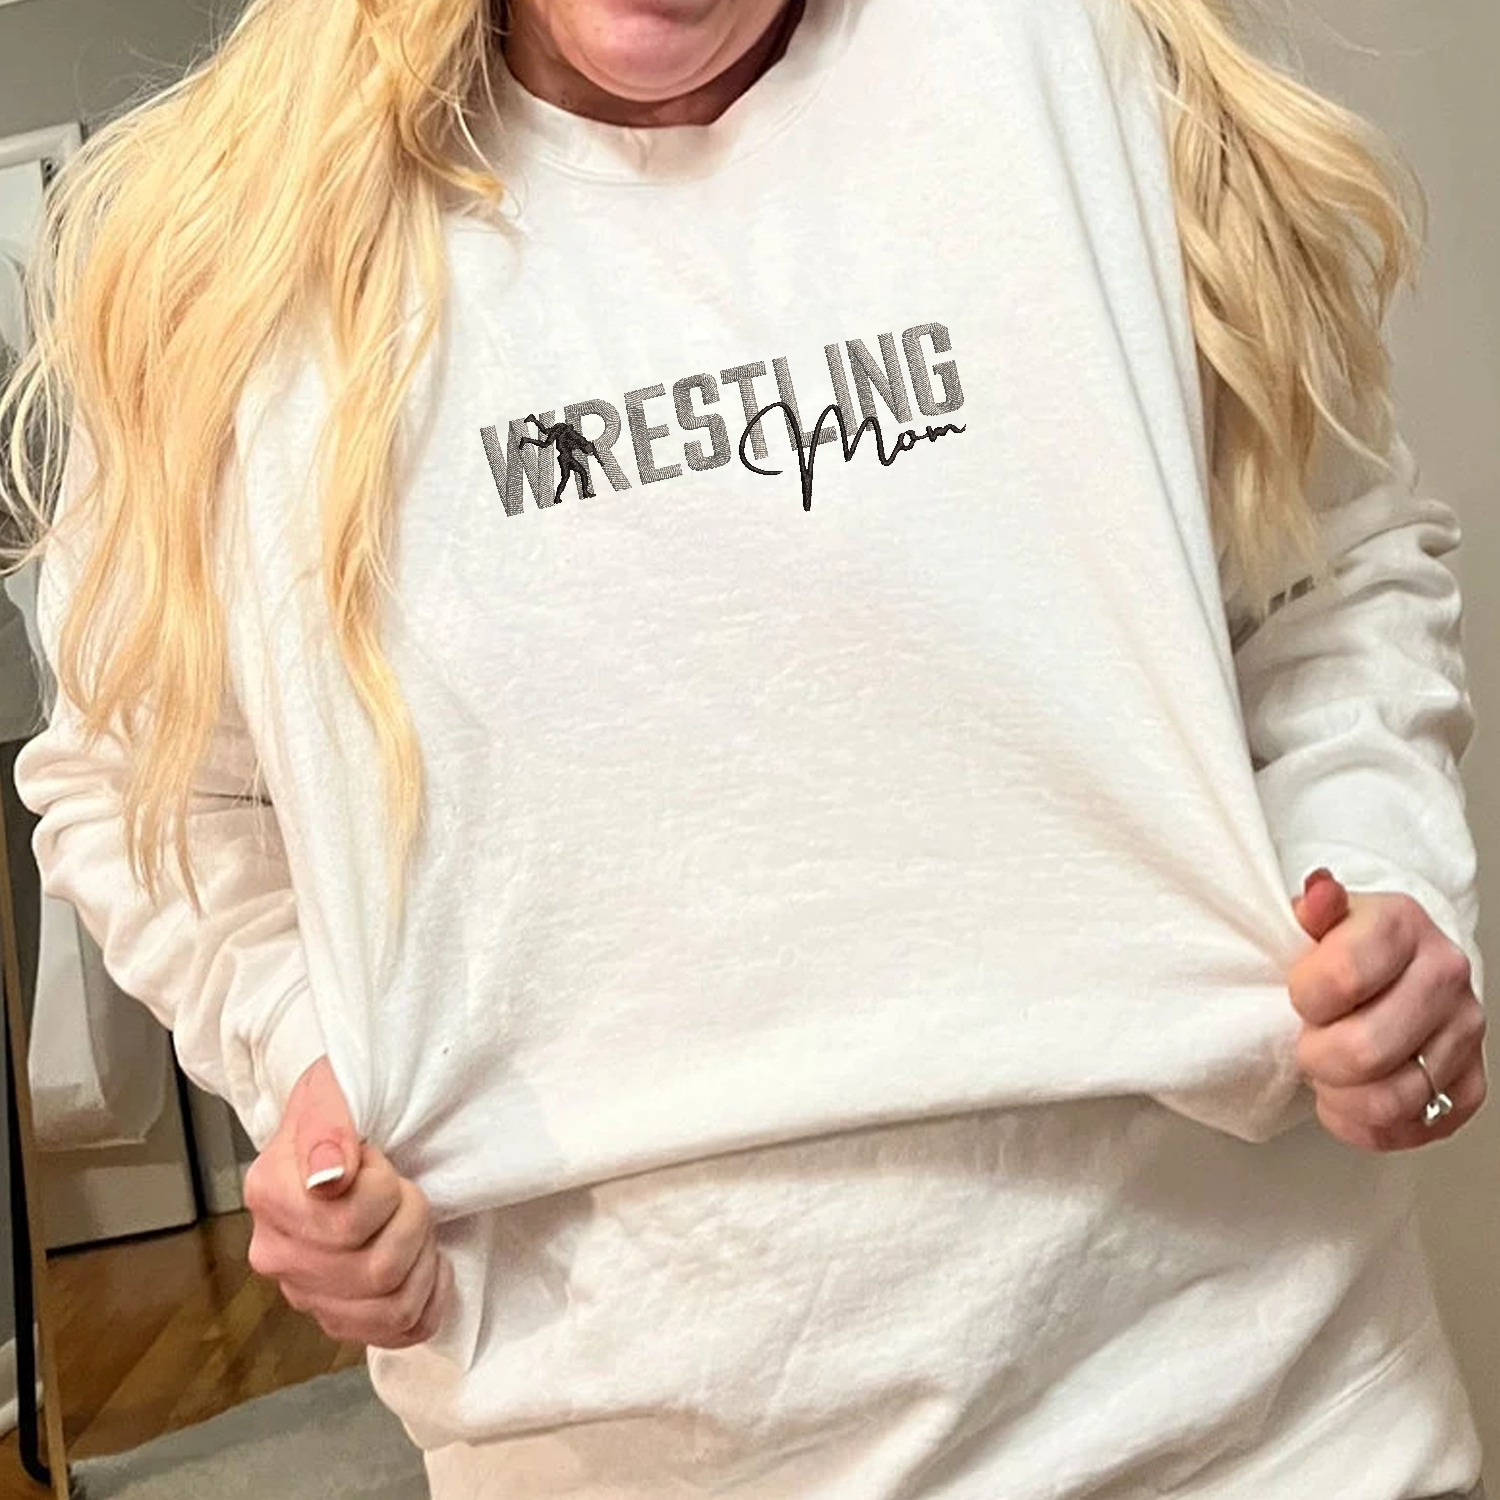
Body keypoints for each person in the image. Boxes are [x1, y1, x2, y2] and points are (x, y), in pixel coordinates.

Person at [0, 0, 1489, 1495]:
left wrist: (1372, 872)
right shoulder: (239, 244)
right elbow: (136, 779)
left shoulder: (1086, 70)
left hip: (1264, 1415)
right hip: (618, 1449)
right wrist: (310, 1061)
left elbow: (1332, 575)